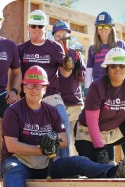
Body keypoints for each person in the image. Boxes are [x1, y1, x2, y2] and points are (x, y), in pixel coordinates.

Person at [1, 65, 125, 187]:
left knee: (80, 162)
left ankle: (115, 171)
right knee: (11, 169)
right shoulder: (13, 112)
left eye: (39, 87)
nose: (34, 90)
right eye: (30, 86)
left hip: (47, 165)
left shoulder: (52, 111)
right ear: (24, 88)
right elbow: (12, 146)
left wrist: (53, 139)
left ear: (45, 89)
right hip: (20, 162)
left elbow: (64, 141)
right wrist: (41, 149)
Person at [17, 10, 70, 157]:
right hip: (28, 96)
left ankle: (65, 163)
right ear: (28, 27)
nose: (36, 29)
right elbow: (14, 74)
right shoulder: (20, 49)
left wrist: (69, 65)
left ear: (45, 28)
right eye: (33, 26)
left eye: (40, 26)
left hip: (50, 94)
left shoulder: (55, 47)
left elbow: (65, 73)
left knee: (63, 122)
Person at [84, 11, 125, 163]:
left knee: (122, 123)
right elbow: (88, 71)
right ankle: (108, 161)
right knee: (103, 125)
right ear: (96, 28)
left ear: (111, 28)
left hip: (117, 88)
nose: (103, 29)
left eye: (106, 26)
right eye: (100, 26)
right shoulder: (92, 49)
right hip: (98, 91)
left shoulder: (119, 44)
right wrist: (87, 90)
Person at [52, 20, 86, 156]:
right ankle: (65, 167)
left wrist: (77, 68)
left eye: (64, 35)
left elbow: (83, 78)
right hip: (57, 102)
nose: (61, 38)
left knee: (75, 139)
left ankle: (77, 167)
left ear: (69, 36)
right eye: (58, 35)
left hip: (75, 103)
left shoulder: (75, 54)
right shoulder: (51, 55)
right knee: (63, 138)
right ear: (53, 37)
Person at [0, 11, 22, 119]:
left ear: (2, 21)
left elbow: (17, 72)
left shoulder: (9, 45)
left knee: (17, 118)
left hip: (1, 95)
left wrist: (14, 91)